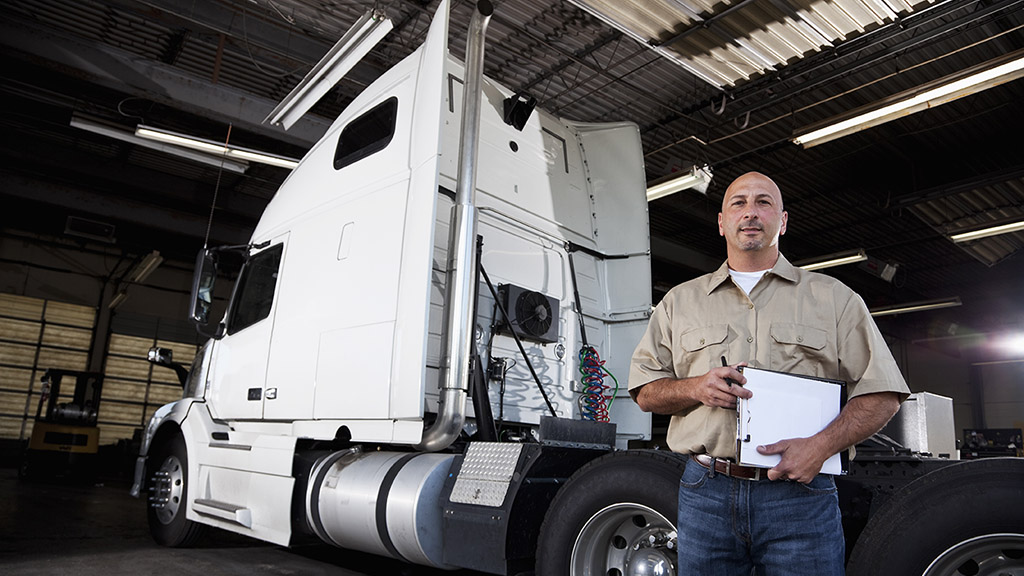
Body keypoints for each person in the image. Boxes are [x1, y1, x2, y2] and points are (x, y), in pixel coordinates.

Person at [628, 171, 909, 575]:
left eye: (764, 202)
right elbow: (645, 392)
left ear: (783, 220)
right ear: (722, 222)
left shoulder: (834, 299)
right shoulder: (679, 302)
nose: (751, 213)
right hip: (706, 492)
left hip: (800, 497)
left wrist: (820, 446)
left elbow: (883, 394)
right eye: (738, 203)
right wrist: (696, 387)